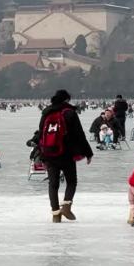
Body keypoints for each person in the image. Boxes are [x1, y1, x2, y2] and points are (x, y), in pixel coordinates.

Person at [37, 89, 94, 223]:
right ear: (67, 100)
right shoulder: (69, 113)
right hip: (66, 153)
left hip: (49, 153)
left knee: (53, 184)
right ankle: (67, 206)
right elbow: (79, 134)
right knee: (71, 181)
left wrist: (42, 153)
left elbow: (41, 134)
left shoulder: (46, 112)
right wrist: (88, 152)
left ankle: (56, 214)